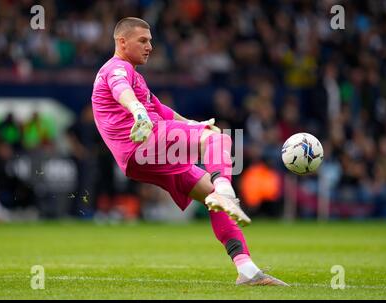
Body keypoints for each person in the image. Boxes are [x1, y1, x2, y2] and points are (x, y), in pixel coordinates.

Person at [91, 17, 288, 286]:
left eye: (150, 40)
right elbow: (122, 91)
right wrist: (137, 111)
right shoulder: (116, 69)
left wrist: (192, 124)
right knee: (218, 140)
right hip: (142, 142)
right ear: (122, 42)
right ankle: (226, 190)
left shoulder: (135, 76)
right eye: (143, 41)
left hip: (139, 157)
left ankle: (248, 270)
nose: (150, 46)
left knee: (210, 195)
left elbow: (162, 111)